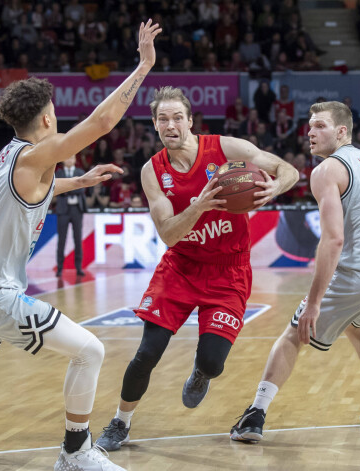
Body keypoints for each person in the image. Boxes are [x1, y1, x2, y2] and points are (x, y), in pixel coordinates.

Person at [0, 20, 161, 471]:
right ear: (49, 118)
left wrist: (79, 181)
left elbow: (32, 192)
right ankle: (75, 450)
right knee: (89, 350)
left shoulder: (12, 154)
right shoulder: (37, 155)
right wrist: (143, 66)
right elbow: (103, 121)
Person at [95, 86, 299, 451]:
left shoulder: (225, 149)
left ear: (190, 121)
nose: (170, 124)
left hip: (229, 270)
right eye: (162, 119)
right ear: (155, 125)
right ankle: (120, 423)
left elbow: (288, 170)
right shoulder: (152, 171)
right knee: (147, 353)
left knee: (213, 361)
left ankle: (201, 373)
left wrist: (273, 190)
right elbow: (170, 235)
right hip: (181, 267)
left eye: (177, 117)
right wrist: (200, 206)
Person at [230, 101, 360, 443]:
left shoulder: (327, 171)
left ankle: (254, 415)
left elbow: (333, 240)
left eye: (319, 126)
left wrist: (314, 302)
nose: (310, 132)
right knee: (354, 323)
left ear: (341, 131)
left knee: (296, 332)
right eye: (309, 126)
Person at [55, 156, 86, 277]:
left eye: (71, 157)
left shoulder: (80, 172)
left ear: (75, 160)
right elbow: (57, 189)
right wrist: (74, 187)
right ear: (63, 160)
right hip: (63, 210)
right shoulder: (59, 172)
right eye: (67, 157)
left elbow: (82, 188)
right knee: (61, 240)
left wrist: (67, 189)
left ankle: (79, 267)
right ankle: (59, 268)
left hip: (77, 209)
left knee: (78, 239)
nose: (69, 159)